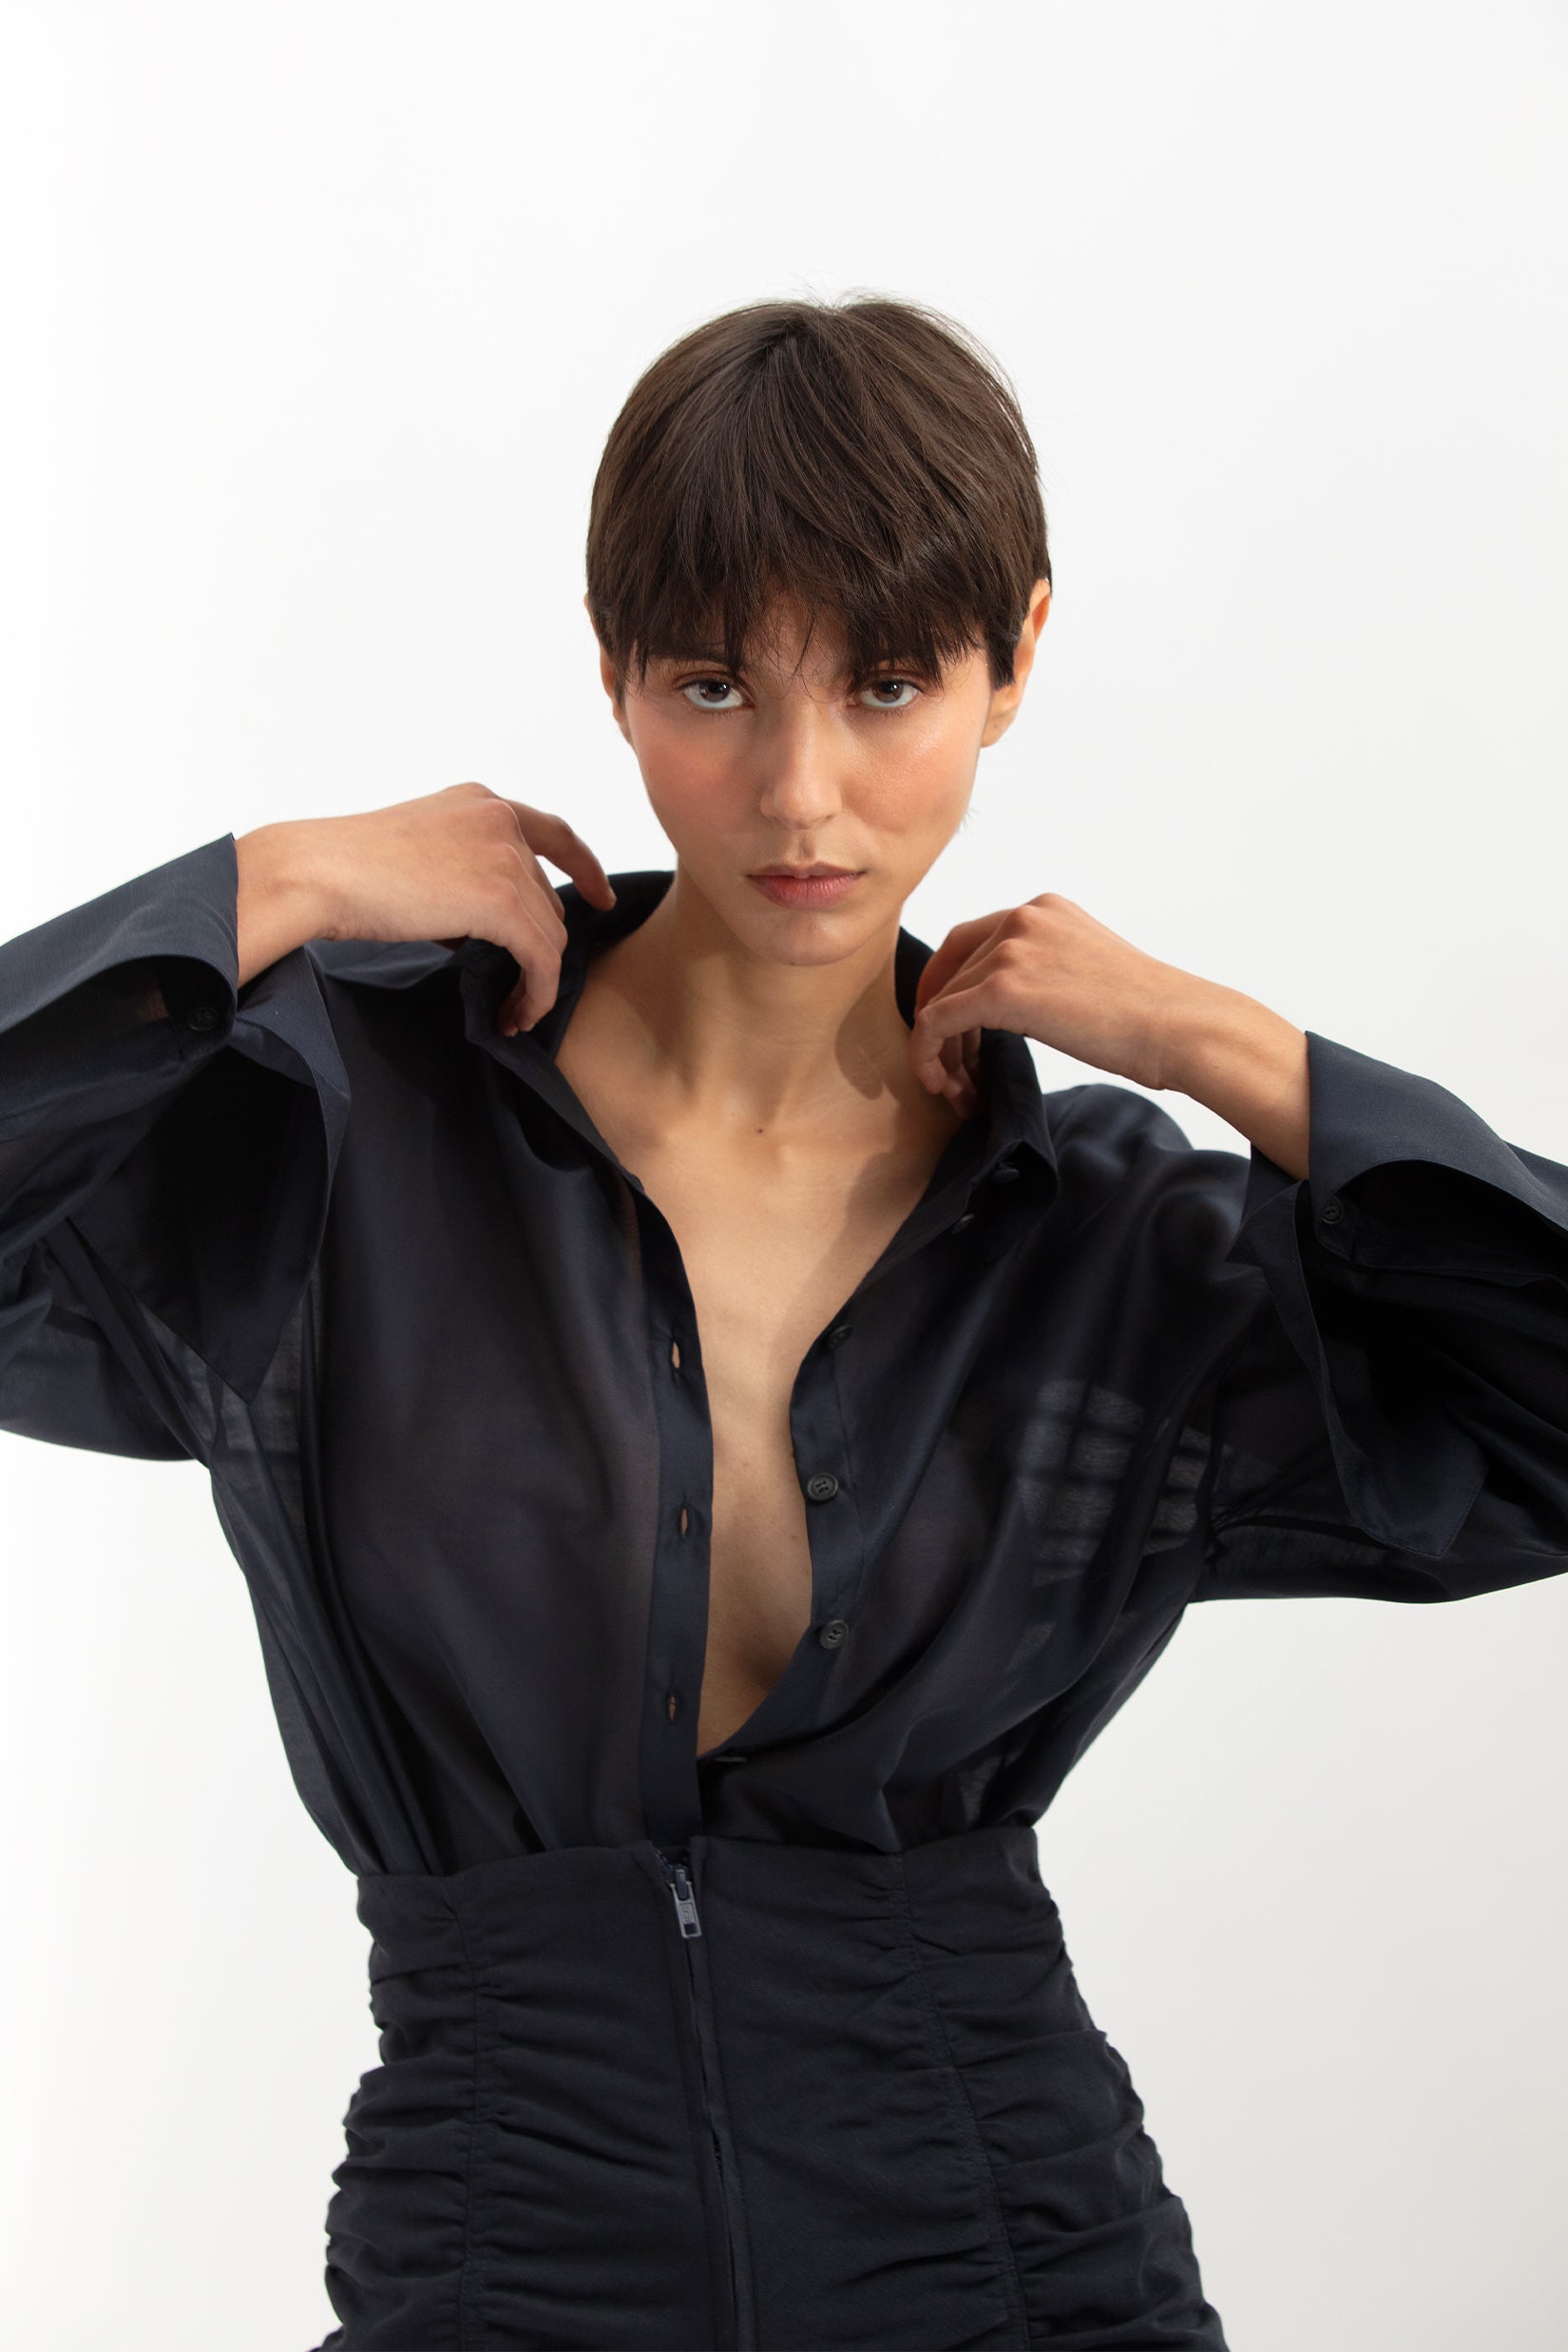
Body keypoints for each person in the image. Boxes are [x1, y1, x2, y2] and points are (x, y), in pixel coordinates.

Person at [1, 296, 1564, 2352]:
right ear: (614, 672)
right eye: (715, 684)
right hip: (491, 2267)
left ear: (1015, 658)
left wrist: (1228, 1048)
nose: (799, 787)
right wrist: (262, 885)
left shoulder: (1109, 1242)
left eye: (890, 682)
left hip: (1020, 2269)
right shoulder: (337, 1137)